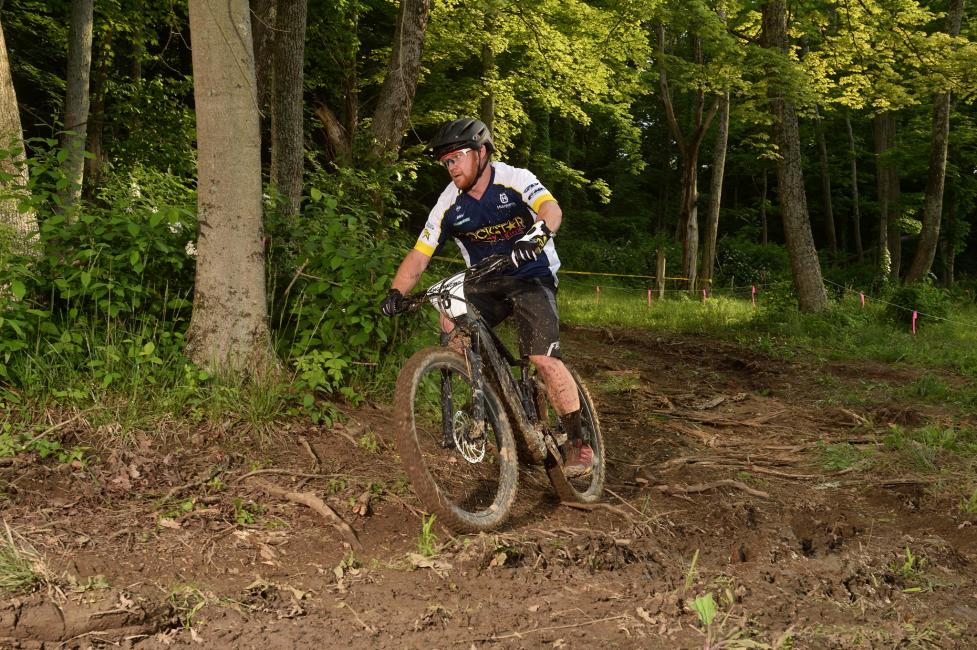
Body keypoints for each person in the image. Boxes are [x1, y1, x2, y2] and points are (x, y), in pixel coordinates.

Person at [380, 117, 593, 477]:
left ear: (481, 152)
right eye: (445, 162)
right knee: (449, 314)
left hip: (531, 276)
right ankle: (487, 398)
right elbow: (419, 255)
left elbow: (551, 209)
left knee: (542, 359)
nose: (451, 167)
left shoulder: (514, 178)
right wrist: (396, 292)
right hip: (486, 282)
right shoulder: (448, 203)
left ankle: (578, 442)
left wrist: (536, 236)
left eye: (456, 158)